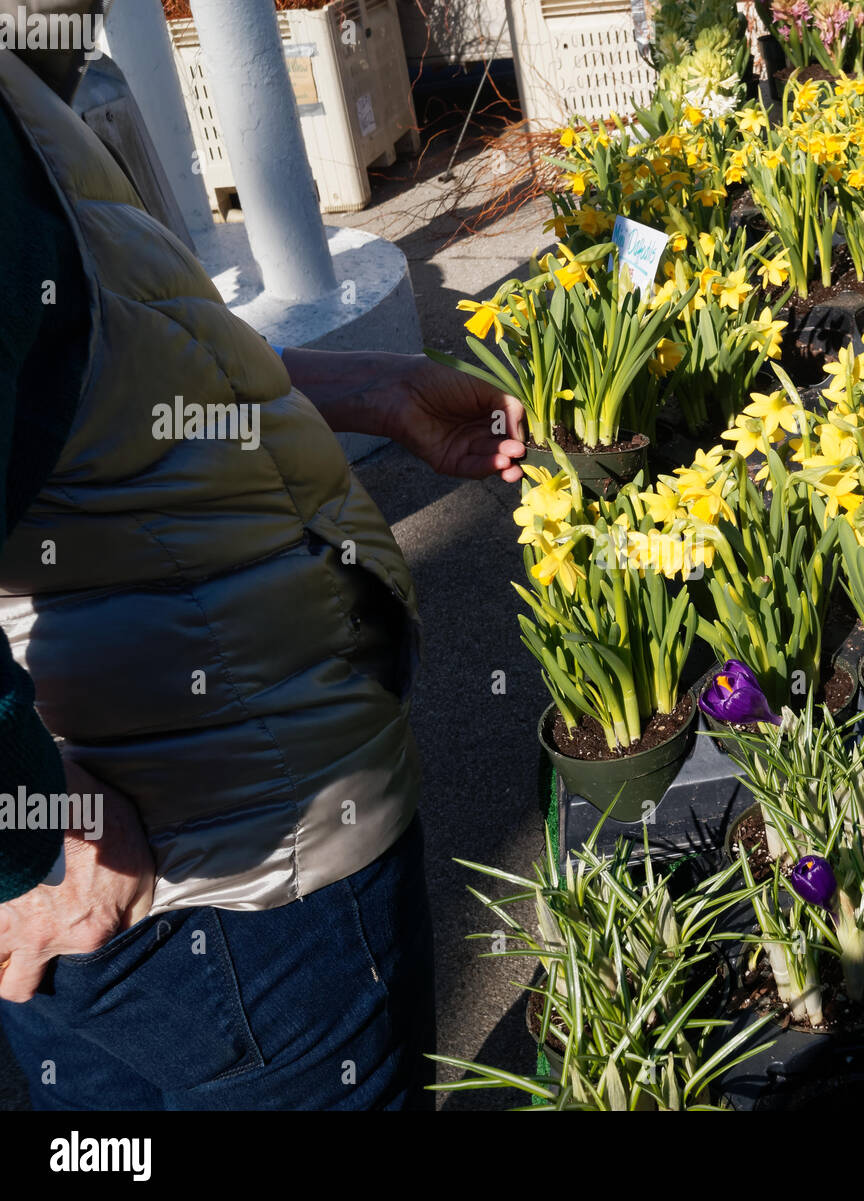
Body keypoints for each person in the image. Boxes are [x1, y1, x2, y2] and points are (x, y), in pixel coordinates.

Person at [0, 0, 522, 1109]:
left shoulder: (25, 87)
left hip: (219, 851)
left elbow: (104, 380)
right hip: (217, 888)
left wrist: (364, 392)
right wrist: (43, 839)